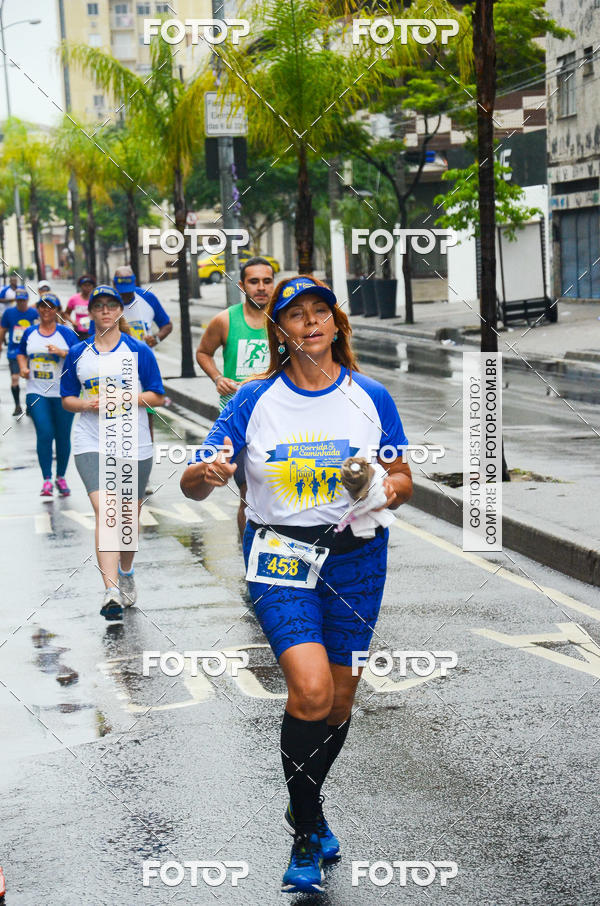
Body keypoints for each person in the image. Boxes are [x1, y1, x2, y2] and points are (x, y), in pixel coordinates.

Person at [181, 275, 413, 896]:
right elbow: (193, 483)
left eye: (320, 312)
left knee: (339, 702)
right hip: (280, 555)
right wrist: (207, 472)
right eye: (295, 316)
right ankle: (307, 830)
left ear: (336, 324)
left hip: (357, 558)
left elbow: (403, 478)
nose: (310, 323)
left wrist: (378, 488)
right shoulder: (252, 402)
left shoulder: (371, 395)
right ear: (279, 331)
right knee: (309, 691)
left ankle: (304, 804)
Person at [61, 285, 165, 622]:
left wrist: (126, 400)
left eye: (111, 306)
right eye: (99, 306)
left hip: (134, 444)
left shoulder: (138, 351)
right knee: (106, 511)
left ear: (119, 311)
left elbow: (157, 396)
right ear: (90, 312)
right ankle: (109, 592)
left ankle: (126, 571)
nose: (105, 311)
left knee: (126, 520)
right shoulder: (77, 352)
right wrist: (88, 404)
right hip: (91, 441)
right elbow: (66, 399)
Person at [196, 256, 273, 536]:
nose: (261, 287)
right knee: (247, 490)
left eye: (266, 281)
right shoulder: (225, 320)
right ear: (242, 285)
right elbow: (203, 352)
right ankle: (249, 552)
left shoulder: (283, 322)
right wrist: (218, 377)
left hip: (277, 418)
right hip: (238, 420)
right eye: (254, 282)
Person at [16, 294, 79, 496]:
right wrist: (24, 368)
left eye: (51, 307)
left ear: (57, 311)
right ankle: (46, 480)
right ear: (38, 309)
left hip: (63, 393)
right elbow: (19, 352)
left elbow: (80, 357)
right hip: (36, 391)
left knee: (62, 436)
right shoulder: (30, 333)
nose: (46, 311)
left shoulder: (66, 334)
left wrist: (62, 353)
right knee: (45, 433)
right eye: (42, 307)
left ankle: (60, 477)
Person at [0, 288, 39, 415]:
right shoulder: (9, 313)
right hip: (14, 351)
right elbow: (3, 329)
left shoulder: (34, 313)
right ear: (16, 300)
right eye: (19, 300)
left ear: (27, 300)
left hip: (30, 351)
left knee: (31, 380)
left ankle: (30, 406)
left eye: (23, 300)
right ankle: (17, 406)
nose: (21, 303)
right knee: (15, 378)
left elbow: (40, 329)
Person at [66, 275, 95, 340]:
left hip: (93, 332)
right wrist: (72, 322)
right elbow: (66, 314)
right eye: (85, 285)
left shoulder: (96, 299)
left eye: (89, 285)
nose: (87, 288)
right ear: (80, 286)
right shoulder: (74, 299)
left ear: (93, 287)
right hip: (79, 332)